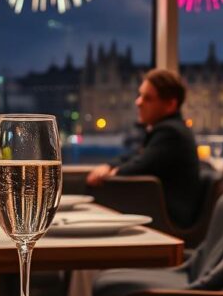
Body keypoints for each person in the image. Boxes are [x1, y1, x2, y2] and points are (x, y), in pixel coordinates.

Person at [86, 68, 201, 228]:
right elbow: (135, 156)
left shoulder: (170, 133)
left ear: (170, 104)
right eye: (139, 95)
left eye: (147, 98)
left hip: (168, 221)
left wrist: (111, 173)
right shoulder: (169, 130)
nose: (138, 102)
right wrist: (110, 165)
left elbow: (138, 166)